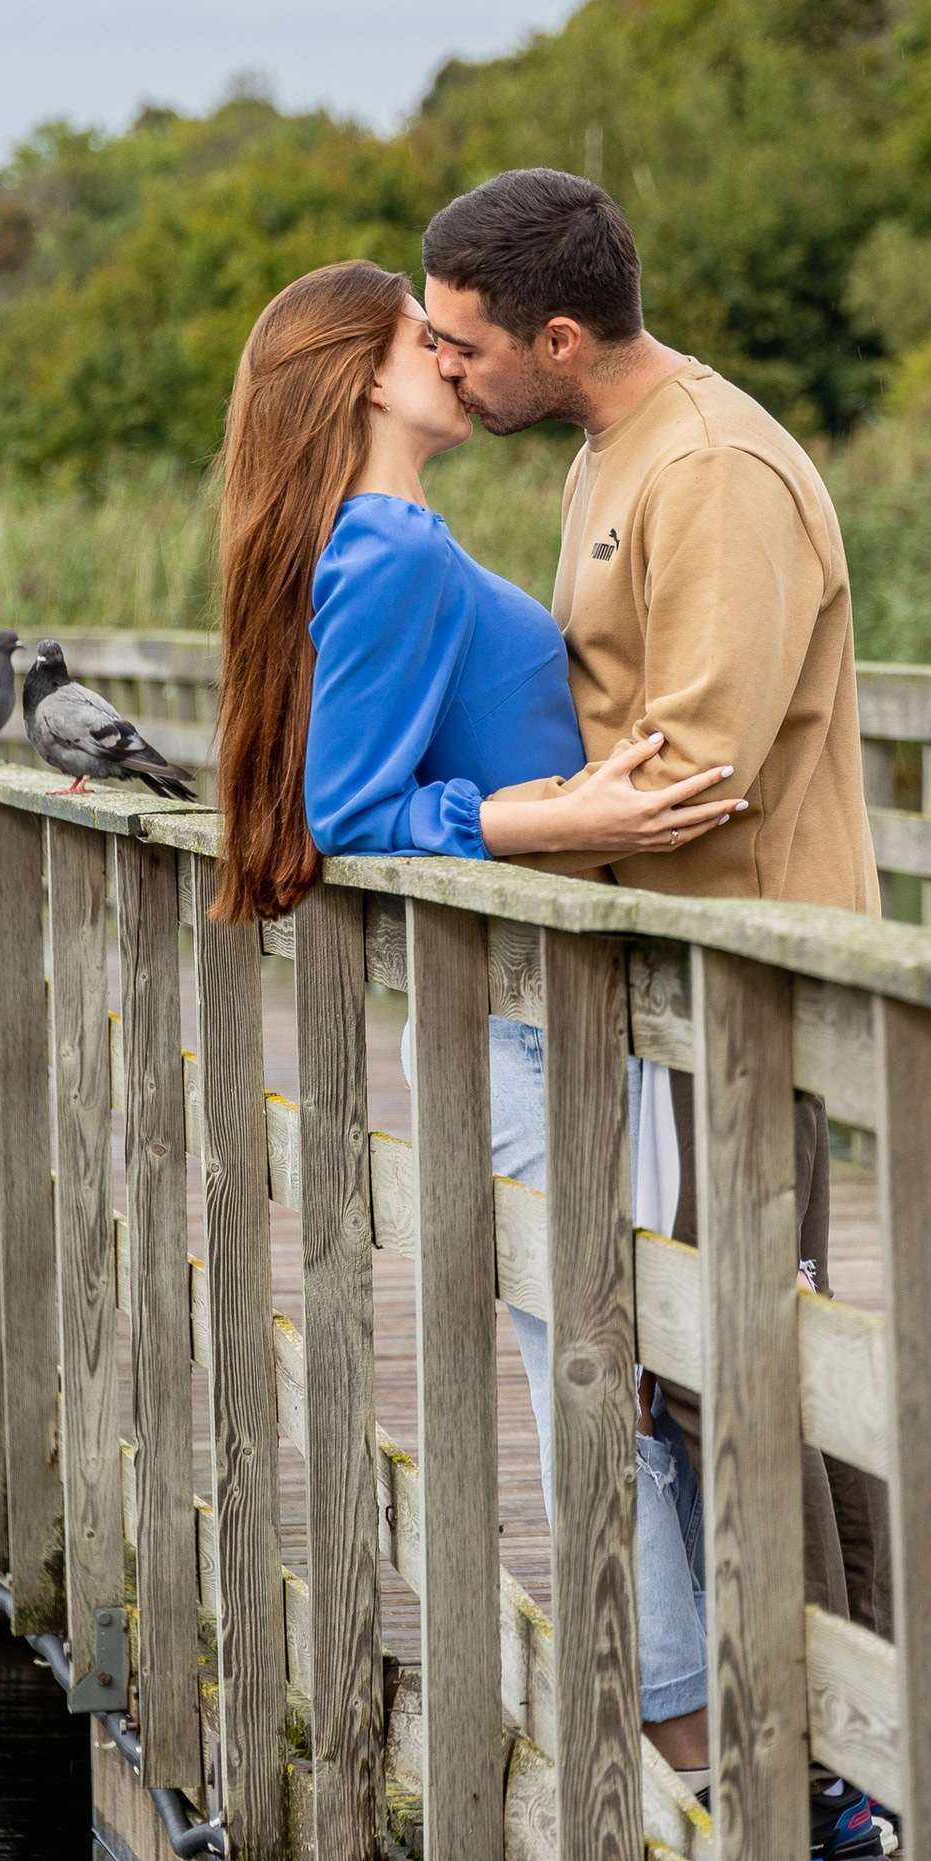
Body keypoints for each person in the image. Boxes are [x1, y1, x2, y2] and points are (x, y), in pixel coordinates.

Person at [213, 260, 745, 1764]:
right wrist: (556, 823)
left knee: (606, 1366)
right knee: (602, 1381)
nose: (454, 355)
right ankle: (679, 1753)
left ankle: (678, 1737)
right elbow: (348, 815)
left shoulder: (393, 538)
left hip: (529, 1018)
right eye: (421, 339)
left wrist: (553, 799)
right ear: (363, 381)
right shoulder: (383, 547)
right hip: (530, 1030)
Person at [419, 168, 896, 1719]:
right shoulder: (611, 452)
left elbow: (698, 768)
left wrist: (484, 822)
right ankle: (827, 1731)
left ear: (558, 337)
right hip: (666, 981)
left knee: (737, 1353)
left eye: (466, 345)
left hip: (741, 975)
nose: (447, 370)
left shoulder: (712, 471)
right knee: (719, 1349)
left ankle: (829, 1744)